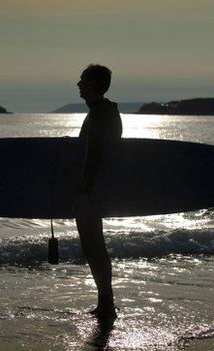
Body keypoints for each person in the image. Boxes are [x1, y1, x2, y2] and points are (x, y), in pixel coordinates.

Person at [73, 64, 122, 320]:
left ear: (92, 83)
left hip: (93, 191)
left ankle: (107, 305)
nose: (78, 84)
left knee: (93, 246)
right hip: (100, 189)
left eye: (82, 79)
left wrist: (84, 192)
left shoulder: (99, 114)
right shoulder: (105, 111)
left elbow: (94, 156)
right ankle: (105, 302)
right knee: (95, 246)